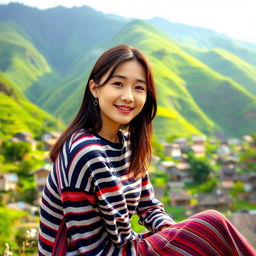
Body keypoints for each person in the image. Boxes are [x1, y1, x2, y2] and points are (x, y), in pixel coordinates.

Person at [38, 45, 256, 256]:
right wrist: (175, 242)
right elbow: (93, 249)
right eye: (118, 84)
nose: (129, 96)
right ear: (95, 88)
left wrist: (171, 233)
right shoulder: (85, 152)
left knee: (206, 230)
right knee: (211, 223)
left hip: (121, 248)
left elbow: (149, 206)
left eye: (139, 87)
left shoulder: (129, 145)